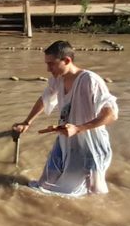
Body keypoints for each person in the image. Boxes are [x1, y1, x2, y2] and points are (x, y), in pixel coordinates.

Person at [12, 40, 119, 197]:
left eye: (52, 64)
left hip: (91, 144)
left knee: (94, 192)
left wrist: (78, 128)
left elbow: (111, 115)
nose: (48, 69)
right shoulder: (57, 79)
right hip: (65, 140)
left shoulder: (90, 80)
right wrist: (27, 122)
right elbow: (45, 99)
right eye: (47, 64)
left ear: (67, 60)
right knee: (43, 183)